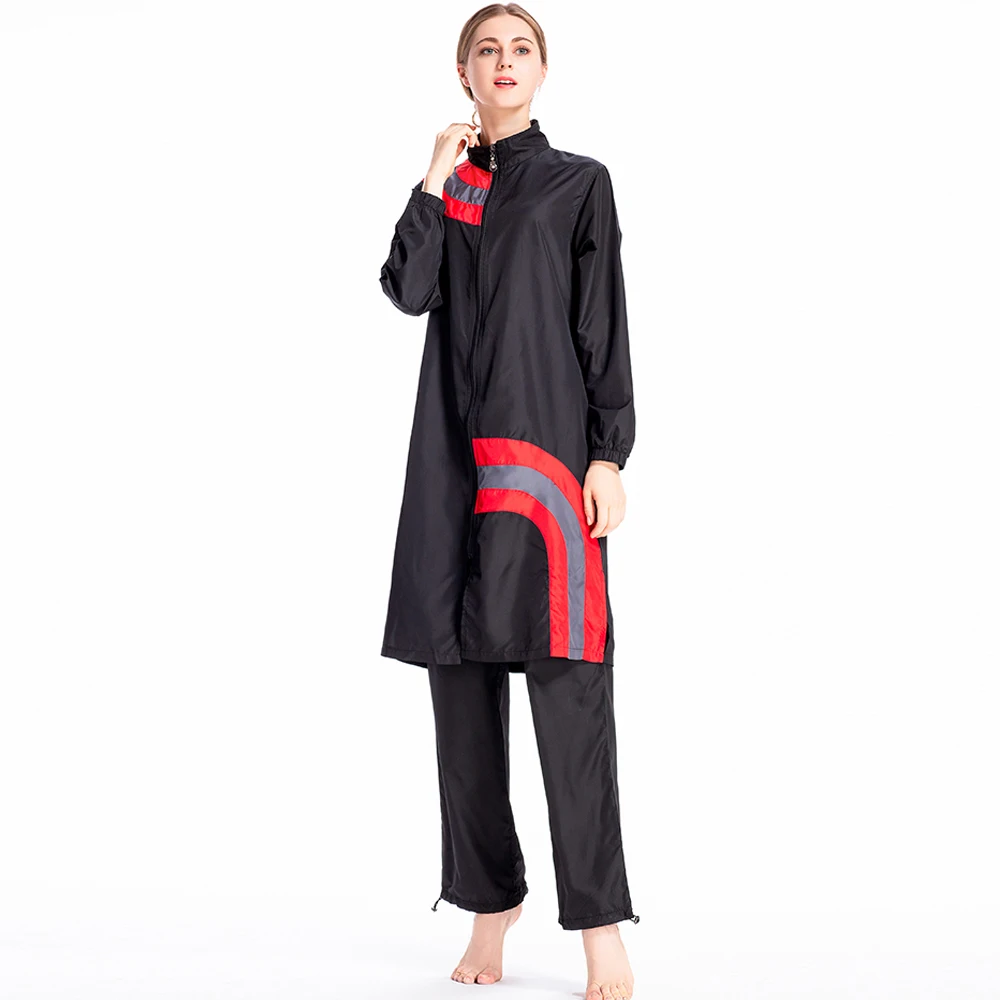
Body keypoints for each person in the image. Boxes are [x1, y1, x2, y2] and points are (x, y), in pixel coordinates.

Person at [377, 5, 638, 998]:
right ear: (464, 72)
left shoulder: (578, 184)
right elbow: (406, 290)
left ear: (541, 70)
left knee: (571, 695)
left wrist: (608, 454)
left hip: (544, 473)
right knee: (461, 700)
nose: (503, 61)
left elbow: (601, 322)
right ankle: (491, 902)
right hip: (452, 479)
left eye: (519, 48)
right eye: (485, 49)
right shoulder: (455, 191)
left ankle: (600, 926)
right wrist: (431, 180)